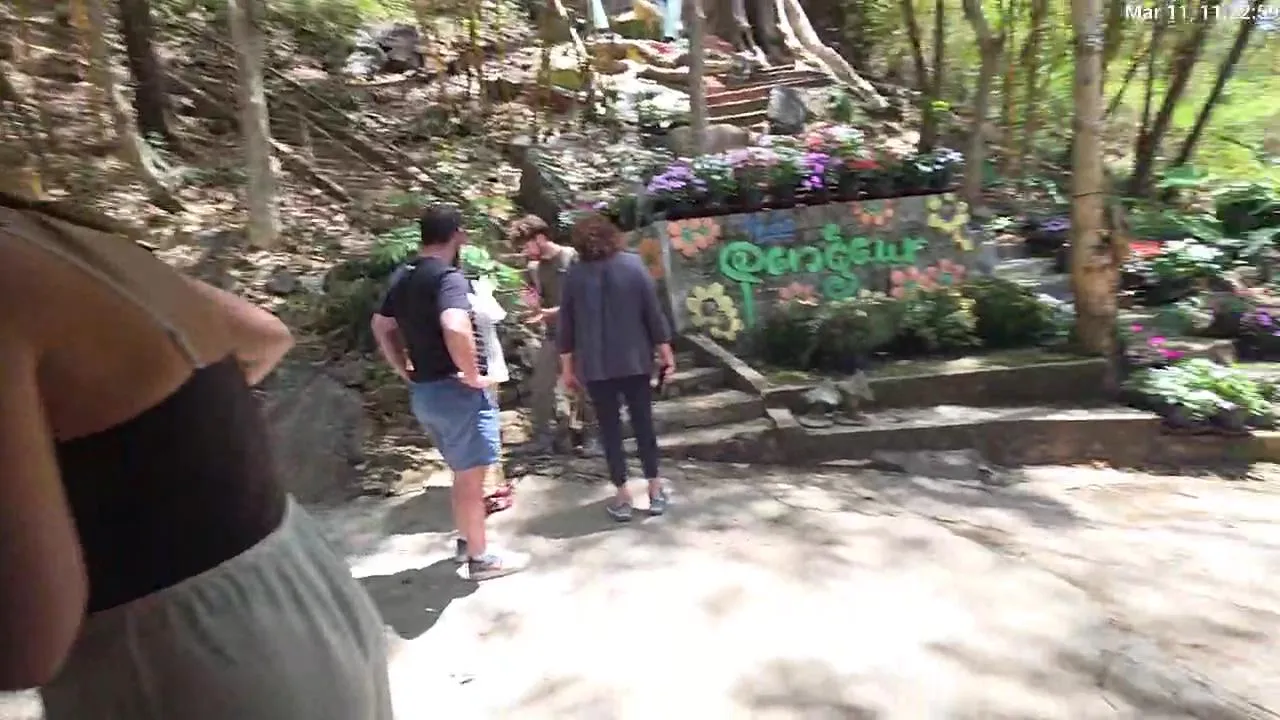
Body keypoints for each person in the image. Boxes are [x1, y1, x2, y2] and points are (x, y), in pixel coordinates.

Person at [0, 193, 392, 718]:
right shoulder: (51, 235)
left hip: (180, 659)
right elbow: (263, 336)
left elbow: (28, 643)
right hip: (295, 585)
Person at [371, 204, 527, 579]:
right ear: (457, 235)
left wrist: (402, 368)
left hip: (425, 393)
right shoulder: (448, 277)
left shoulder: (404, 275)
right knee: (472, 480)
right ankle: (481, 558)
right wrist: (472, 374)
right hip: (456, 393)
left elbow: (380, 325)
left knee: (461, 473)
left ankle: (466, 541)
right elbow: (455, 325)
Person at [557, 213, 675, 521]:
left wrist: (567, 368)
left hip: (596, 366)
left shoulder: (575, 275)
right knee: (643, 425)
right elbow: (653, 312)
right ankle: (655, 490)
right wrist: (665, 352)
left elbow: (566, 326)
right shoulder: (633, 265)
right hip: (635, 361)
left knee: (610, 430)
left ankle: (622, 496)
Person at [510, 214, 596, 455]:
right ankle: (542, 438)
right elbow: (535, 301)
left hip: (582, 334)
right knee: (541, 386)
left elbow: (585, 299)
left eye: (526, 245)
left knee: (587, 387)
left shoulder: (572, 258)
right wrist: (530, 303)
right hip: (553, 335)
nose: (525, 251)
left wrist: (548, 313)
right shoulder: (534, 268)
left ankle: (592, 437)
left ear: (540, 238)